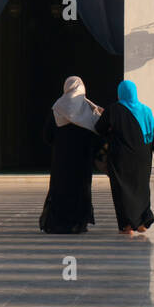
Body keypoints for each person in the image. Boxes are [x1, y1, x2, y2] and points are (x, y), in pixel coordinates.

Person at [96, 80, 154, 235]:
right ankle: (143, 221)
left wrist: (104, 117)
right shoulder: (146, 111)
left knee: (121, 191)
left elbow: (99, 129)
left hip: (120, 160)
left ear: (120, 93)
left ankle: (127, 226)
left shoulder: (113, 110)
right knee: (141, 189)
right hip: (143, 160)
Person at [39, 76, 103, 234]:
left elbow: (47, 135)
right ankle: (79, 224)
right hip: (82, 161)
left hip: (61, 161)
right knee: (80, 190)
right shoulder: (89, 110)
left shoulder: (57, 109)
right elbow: (97, 136)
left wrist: (60, 146)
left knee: (61, 188)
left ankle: (58, 223)